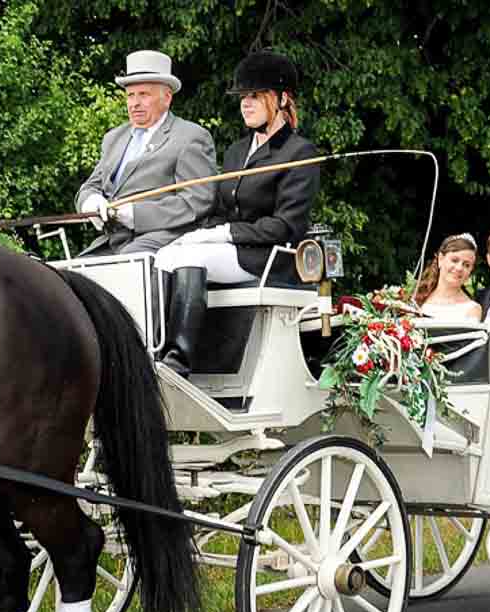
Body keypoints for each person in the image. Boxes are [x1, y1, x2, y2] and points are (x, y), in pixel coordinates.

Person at [150, 51, 322, 374]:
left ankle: (178, 358)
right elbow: (219, 210)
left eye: (255, 96)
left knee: (189, 259)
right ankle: (154, 349)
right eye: (243, 97)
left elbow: (287, 226)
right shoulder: (236, 152)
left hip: (268, 257)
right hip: (233, 250)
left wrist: (223, 234)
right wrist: (202, 233)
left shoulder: (300, 153)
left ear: (282, 99)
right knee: (166, 254)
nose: (245, 103)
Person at [75, 51, 217, 256]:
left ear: (167, 98)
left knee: (127, 265)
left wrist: (136, 214)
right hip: (113, 239)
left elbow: (198, 200)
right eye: (130, 95)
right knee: (73, 275)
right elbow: (90, 186)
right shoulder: (113, 138)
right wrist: (91, 200)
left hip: (163, 236)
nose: (134, 103)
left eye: (144, 94)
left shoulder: (191, 136)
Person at [411, 233, 485, 323]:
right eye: (454, 260)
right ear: (440, 259)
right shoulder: (416, 296)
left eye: (466, 265)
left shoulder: (472, 309)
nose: (459, 268)